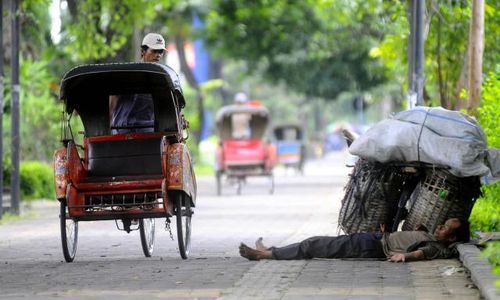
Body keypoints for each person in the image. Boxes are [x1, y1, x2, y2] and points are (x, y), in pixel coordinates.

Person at [239, 218, 469, 262]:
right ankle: (269, 250)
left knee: (314, 244)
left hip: (372, 245)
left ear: (453, 237)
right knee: (318, 242)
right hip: (374, 238)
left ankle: (263, 255)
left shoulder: (437, 247)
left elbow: (423, 253)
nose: (440, 226)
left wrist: (404, 256)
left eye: (445, 227)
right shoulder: (433, 237)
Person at [109, 33, 167, 134]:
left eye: (160, 51)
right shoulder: (128, 74)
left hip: (149, 133)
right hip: (122, 131)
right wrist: (108, 125)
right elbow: (113, 99)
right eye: (154, 51)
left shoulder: (161, 79)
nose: (158, 55)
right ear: (142, 51)